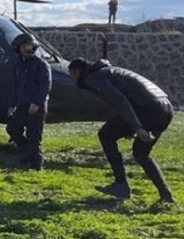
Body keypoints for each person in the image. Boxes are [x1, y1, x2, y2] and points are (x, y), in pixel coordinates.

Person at [68, 58, 175, 203]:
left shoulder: (93, 77)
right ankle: (166, 195)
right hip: (165, 108)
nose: (72, 80)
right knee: (141, 153)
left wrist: (136, 127)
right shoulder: (109, 71)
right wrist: (132, 126)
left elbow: (120, 100)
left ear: (76, 71)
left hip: (147, 108)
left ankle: (121, 185)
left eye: (71, 76)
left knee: (105, 135)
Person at [5, 33, 51, 170]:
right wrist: (13, 104)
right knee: (12, 129)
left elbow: (45, 85)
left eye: (29, 45)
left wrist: (36, 103)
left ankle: (37, 164)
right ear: (18, 48)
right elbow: (17, 86)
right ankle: (27, 153)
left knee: (34, 135)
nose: (27, 48)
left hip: (37, 105)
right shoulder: (18, 64)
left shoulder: (41, 64)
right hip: (22, 103)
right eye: (24, 46)